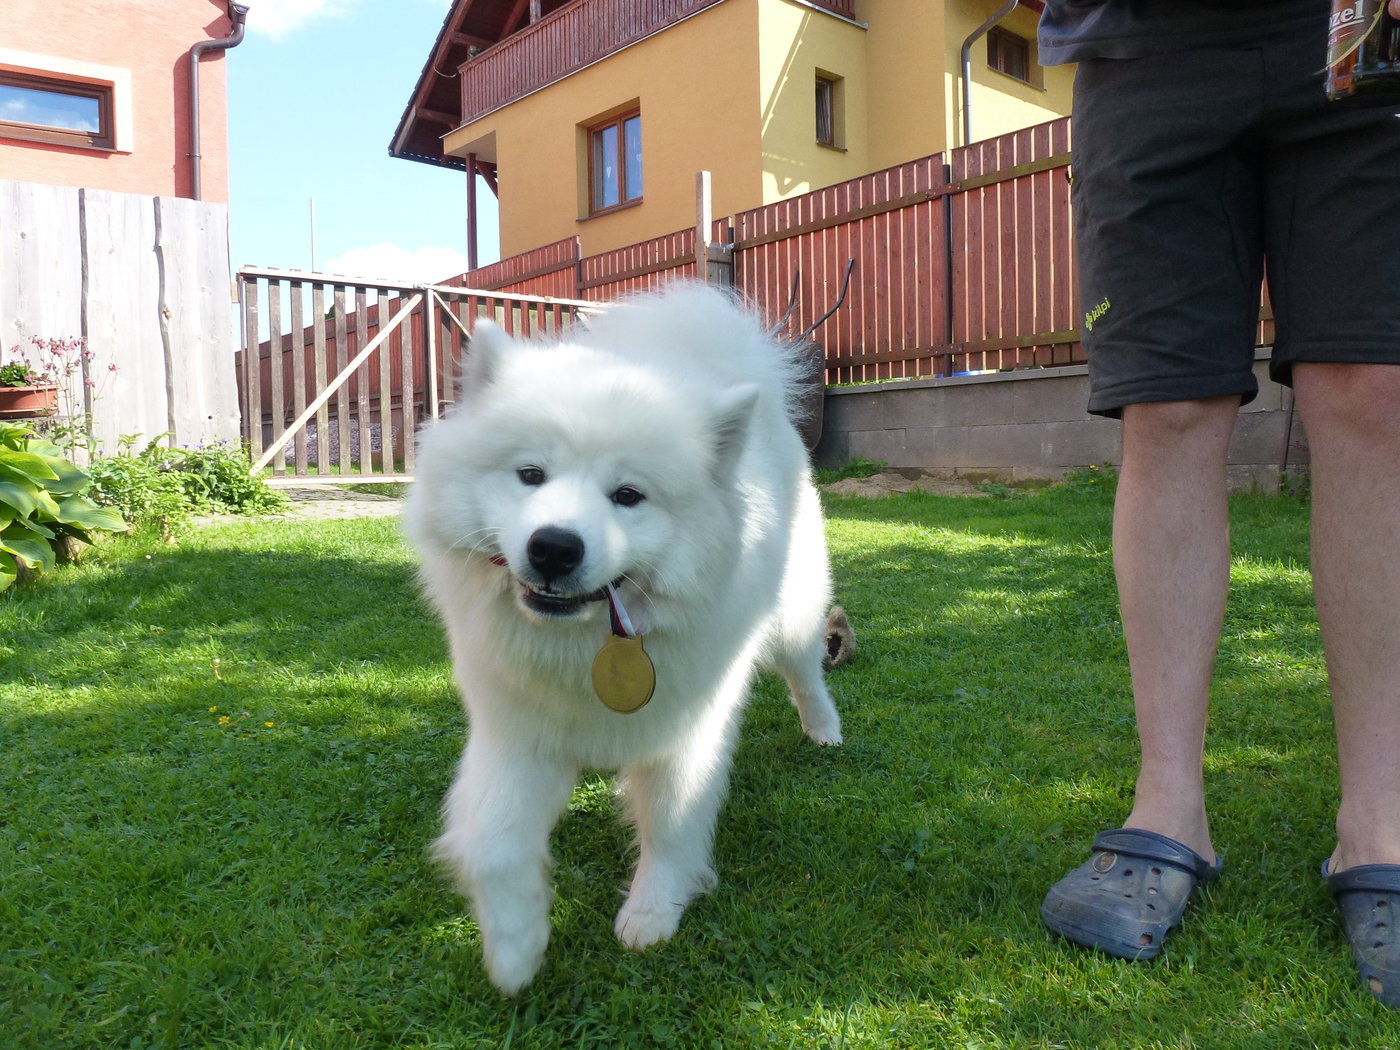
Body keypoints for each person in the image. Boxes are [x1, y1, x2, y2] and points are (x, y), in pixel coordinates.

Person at [1035, 0, 1400, 1010]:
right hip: (1138, 39)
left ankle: (1380, 822)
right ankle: (1168, 805)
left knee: (1375, 391)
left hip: (1362, 28)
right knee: (1168, 406)